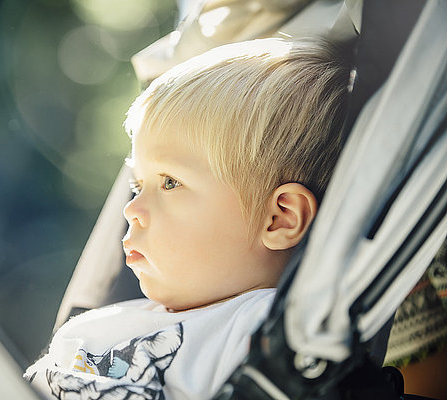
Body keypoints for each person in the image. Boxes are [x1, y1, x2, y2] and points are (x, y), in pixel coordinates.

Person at [24, 37, 351, 400]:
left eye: (169, 182)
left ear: (279, 218)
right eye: (137, 186)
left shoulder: (266, 338)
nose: (131, 209)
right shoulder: (102, 322)